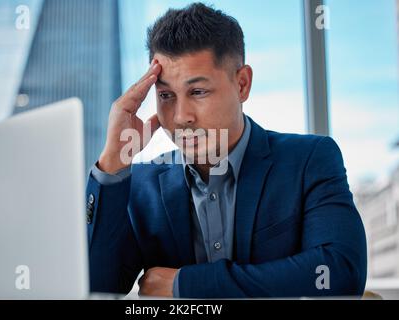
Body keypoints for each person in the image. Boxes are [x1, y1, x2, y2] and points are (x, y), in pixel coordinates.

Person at [86, 2, 367, 298]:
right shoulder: (142, 185)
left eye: (197, 92)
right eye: (166, 95)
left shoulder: (308, 160)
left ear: (242, 84)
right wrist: (112, 163)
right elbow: (97, 286)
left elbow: (339, 271)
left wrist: (188, 285)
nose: (181, 117)